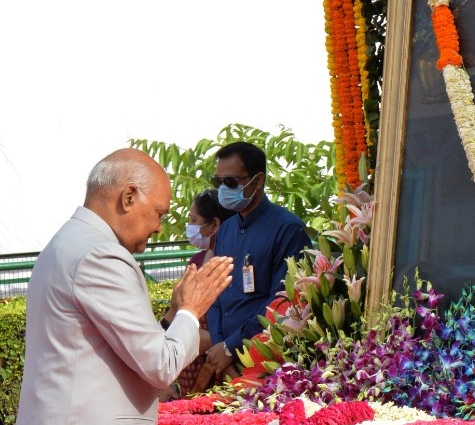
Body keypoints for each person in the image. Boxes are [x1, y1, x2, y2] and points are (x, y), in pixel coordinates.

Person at [16, 148, 234, 425]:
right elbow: (161, 366)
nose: (158, 227)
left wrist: (170, 318)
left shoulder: (68, 241)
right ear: (129, 197)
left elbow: (124, 344)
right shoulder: (102, 255)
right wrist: (191, 311)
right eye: (160, 214)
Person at [205, 141, 311, 379]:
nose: (222, 189)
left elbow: (282, 304)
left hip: (268, 362)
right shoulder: (225, 231)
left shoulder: (288, 229)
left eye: (230, 182)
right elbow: (215, 297)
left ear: (258, 180)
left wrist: (231, 347)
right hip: (224, 361)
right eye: (218, 182)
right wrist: (220, 346)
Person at [159, 189, 236, 398]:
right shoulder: (196, 261)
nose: (189, 227)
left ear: (215, 224)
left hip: (220, 359)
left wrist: (214, 341)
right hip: (191, 364)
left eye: (194, 220)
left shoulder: (230, 263)